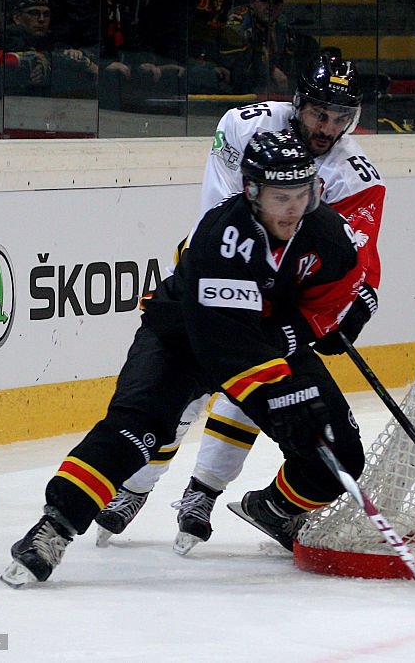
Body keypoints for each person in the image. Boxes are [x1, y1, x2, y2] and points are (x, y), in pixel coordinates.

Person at [1, 130, 367, 587]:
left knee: (338, 452)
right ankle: (51, 529)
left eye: (302, 194)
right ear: (252, 192)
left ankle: (273, 509)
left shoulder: (327, 234)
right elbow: (223, 341)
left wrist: (327, 325)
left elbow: (334, 297)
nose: (294, 208)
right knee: (135, 431)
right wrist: (285, 392)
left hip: (263, 340)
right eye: (280, 197)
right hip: (182, 334)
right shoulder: (220, 235)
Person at [93, 53, 385, 555]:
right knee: (179, 388)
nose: (328, 127)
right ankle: (133, 487)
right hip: (213, 272)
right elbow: (229, 217)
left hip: (281, 296)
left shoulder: (357, 175)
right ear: (299, 101)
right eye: (319, 113)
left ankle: (203, 495)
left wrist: (353, 304)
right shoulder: (245, 125)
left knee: (261, 392)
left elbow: (351, 256)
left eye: (340, 118)